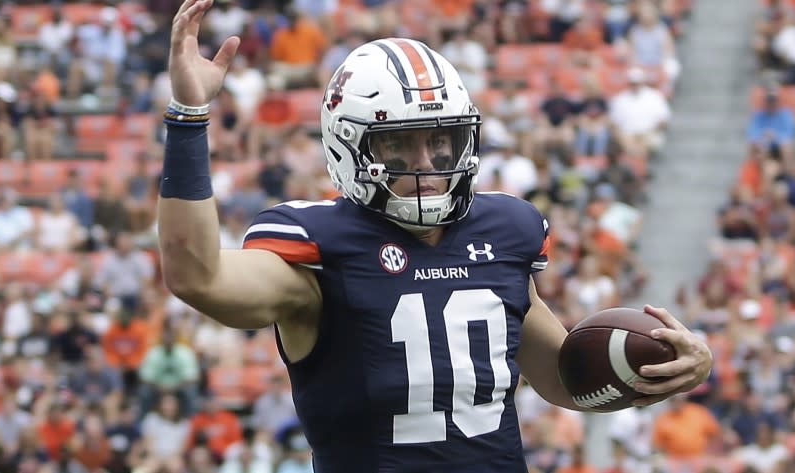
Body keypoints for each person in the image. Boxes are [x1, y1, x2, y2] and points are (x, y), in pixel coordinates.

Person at [157, 1, 714, 472]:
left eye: (441, 141)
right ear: (349, 147)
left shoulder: (505, 233)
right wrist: (189, 116)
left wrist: (666, 369)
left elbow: (564, 380)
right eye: (400, 146)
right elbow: (196, 276)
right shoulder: (320, 249)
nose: (427, 163)